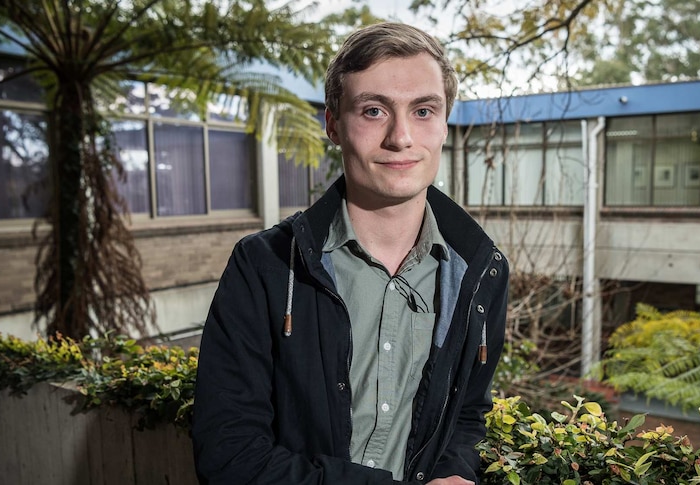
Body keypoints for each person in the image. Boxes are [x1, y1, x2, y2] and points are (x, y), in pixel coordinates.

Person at [191, 22, 509, 485]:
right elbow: (228, 456)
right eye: (375, 110)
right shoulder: (266, 266)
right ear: (333, 125)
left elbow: (469, 412)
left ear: (444, 125)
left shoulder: (481, 271)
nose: (401, 137)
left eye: (423, 110)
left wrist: (456, 470)